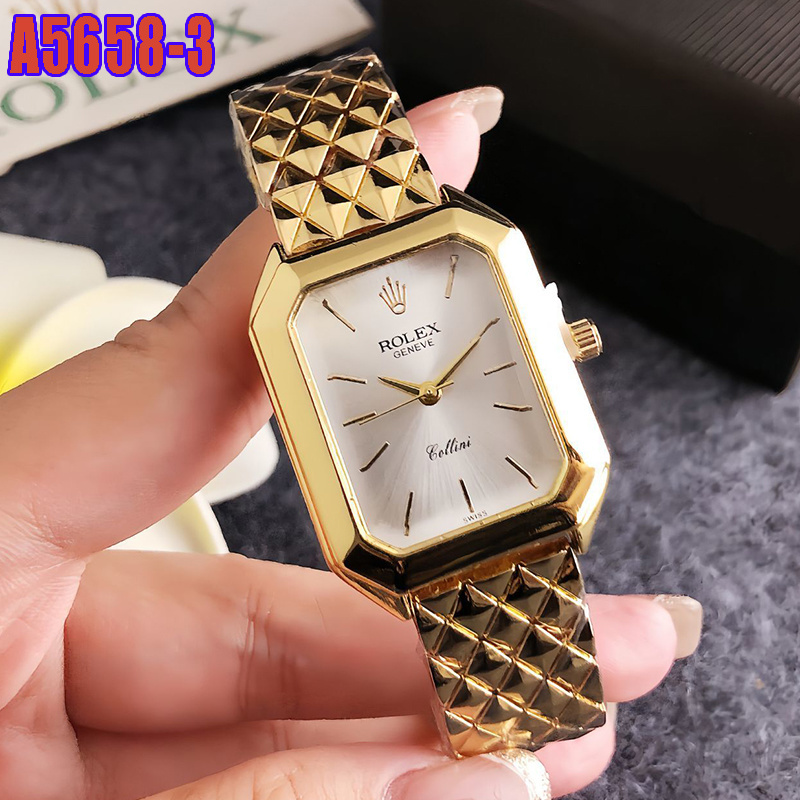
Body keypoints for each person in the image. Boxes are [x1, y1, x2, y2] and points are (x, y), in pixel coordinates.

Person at [0, 88, 701, 800]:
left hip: (504, 523)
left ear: (563, 343)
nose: (429, 395)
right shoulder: (320, 301)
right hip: (425, 551)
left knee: (542, 743)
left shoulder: (468, 256)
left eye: (433, 387)